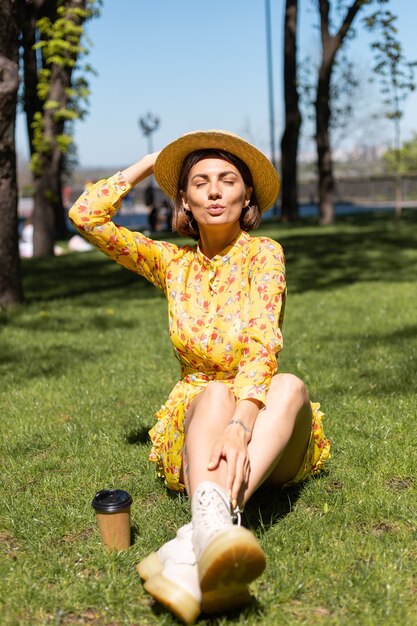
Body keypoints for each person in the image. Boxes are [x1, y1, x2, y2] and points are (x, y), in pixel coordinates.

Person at [68, 130, 330, 625]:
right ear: (184, 197)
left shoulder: (264, 255)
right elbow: (85, 216)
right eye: (200, 182)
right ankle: (206, 541)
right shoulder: (172, 265)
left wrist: (242, 422)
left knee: (290, 385)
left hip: (263, 423)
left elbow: (261, 342)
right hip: (197, 424)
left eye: (227, 180)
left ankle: (194, 539)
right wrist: (150, 163)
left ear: (246, 194)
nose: (214, 191)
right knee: (211, 391)